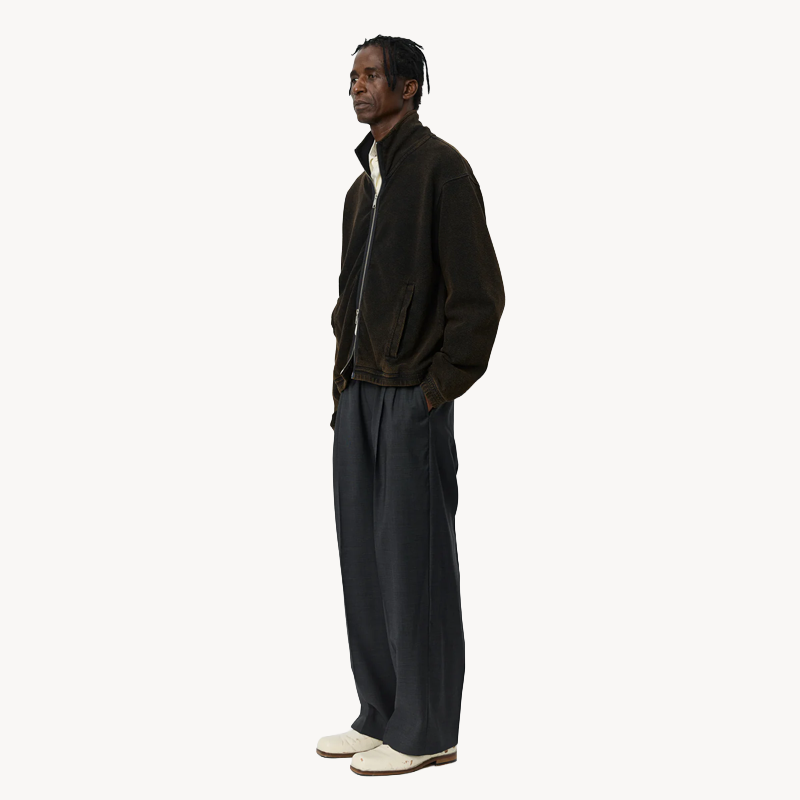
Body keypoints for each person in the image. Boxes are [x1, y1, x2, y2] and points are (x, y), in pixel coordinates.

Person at [319, 35, 505, 777]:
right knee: (364, 562)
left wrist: (435, 390)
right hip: (358, 394)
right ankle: (382, 713)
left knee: (414, 565)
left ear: (409, 88)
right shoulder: (360, 189)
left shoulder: (440, 171)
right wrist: (342, 380)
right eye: (352, 76)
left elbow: (481, 297)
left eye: (372, 75)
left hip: (410, 398)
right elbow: (349, 296)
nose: (357, 86)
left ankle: (427, 730)